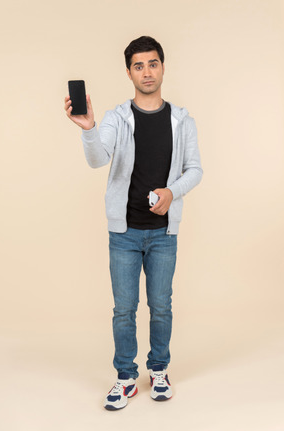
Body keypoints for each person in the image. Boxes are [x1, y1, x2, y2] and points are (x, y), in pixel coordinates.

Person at [64, 35, 203, 410]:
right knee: (123, 309)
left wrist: (172, 192)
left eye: (153, 63)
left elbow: (195, 170)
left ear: (162, 67)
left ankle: (158, 369)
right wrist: (89, 127)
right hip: (123, 233)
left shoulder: (182, 119)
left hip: (163, 234)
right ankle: (125, 377)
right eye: (138, 65)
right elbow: (98, 158)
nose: (147, 71)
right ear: (129, 72)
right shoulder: (116, 118)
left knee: (161, 306)